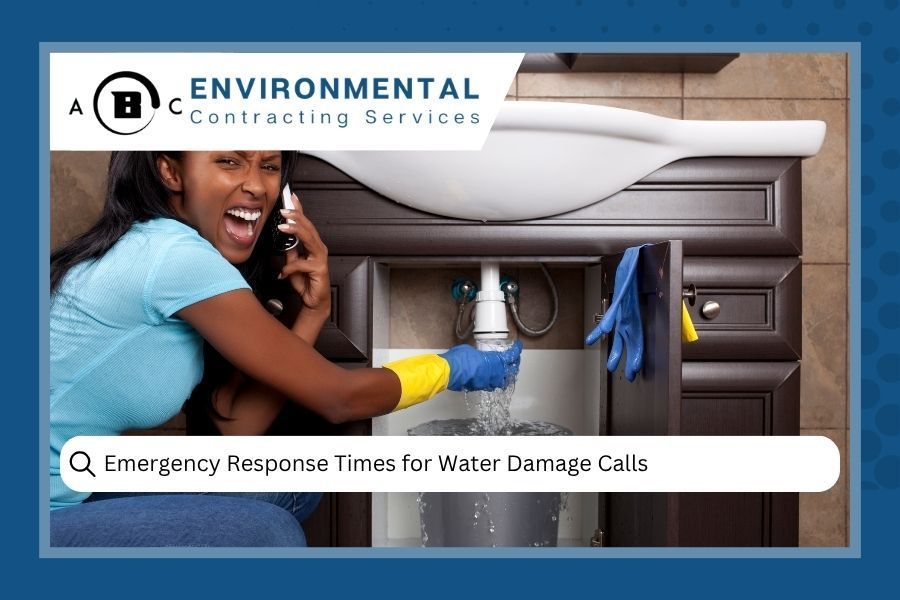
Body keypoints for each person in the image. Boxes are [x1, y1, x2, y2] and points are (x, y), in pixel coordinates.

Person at [49, 150, 523, 547]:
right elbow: (341, 398)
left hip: (61, 487)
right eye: (230, 162)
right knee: (268, 533)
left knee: (284, 485)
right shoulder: (174, 258)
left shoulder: (154, 246)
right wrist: (452, 367)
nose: (256, 185)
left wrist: (312, 313)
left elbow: (238, 427)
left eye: (270, 166)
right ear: (171, 172)